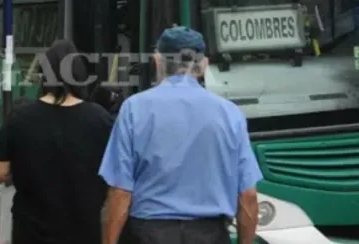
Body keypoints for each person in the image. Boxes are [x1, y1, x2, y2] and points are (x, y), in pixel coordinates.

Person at [99, 26, 263, 244]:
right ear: (204, 65)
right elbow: (248, 196)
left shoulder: (134, 109)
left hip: (149, 236)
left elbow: (120, 193)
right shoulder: (230, 114)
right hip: (210, 235)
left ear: (157, 61)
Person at [0, 39, 113, 244]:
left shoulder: (19, 118)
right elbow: (115, 178)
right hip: (83, 233)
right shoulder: (101, 119)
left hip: (31, 233)